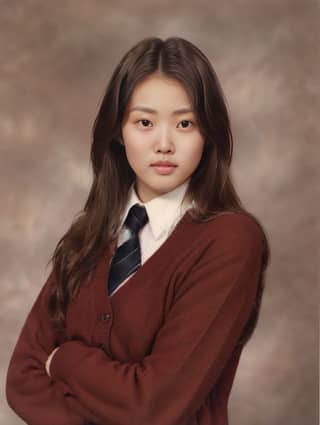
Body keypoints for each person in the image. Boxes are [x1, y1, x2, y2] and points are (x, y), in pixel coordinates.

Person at [6, 36, 270, 425]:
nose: (164, 144)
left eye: (185, 123)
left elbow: (152, 408)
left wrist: (65, 359)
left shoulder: (231, 241)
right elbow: (21, 379)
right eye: (144, 122)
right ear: (118, 132)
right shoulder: (89, 235)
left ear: (208, 133)